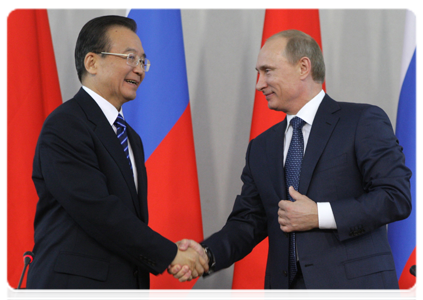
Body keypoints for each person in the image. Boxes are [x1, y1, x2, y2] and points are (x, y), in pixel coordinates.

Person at [171, 30, 412, 299]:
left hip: (353, 290)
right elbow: (249, 221)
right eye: (258, 73)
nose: (259, 83)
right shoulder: (261, 147)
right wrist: (206, 253)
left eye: (268, 71)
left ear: (303, 67)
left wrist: (319, 215)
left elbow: (395, 197)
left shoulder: (361, 121)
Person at [25, 15, 207, 300]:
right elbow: (98, 210)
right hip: (74, 290)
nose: (139, 70)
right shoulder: (66, 124)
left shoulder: (130, 137)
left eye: (143, 61)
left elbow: (127, 217)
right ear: (92, 62)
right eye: (130, 58)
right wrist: (170, 254)